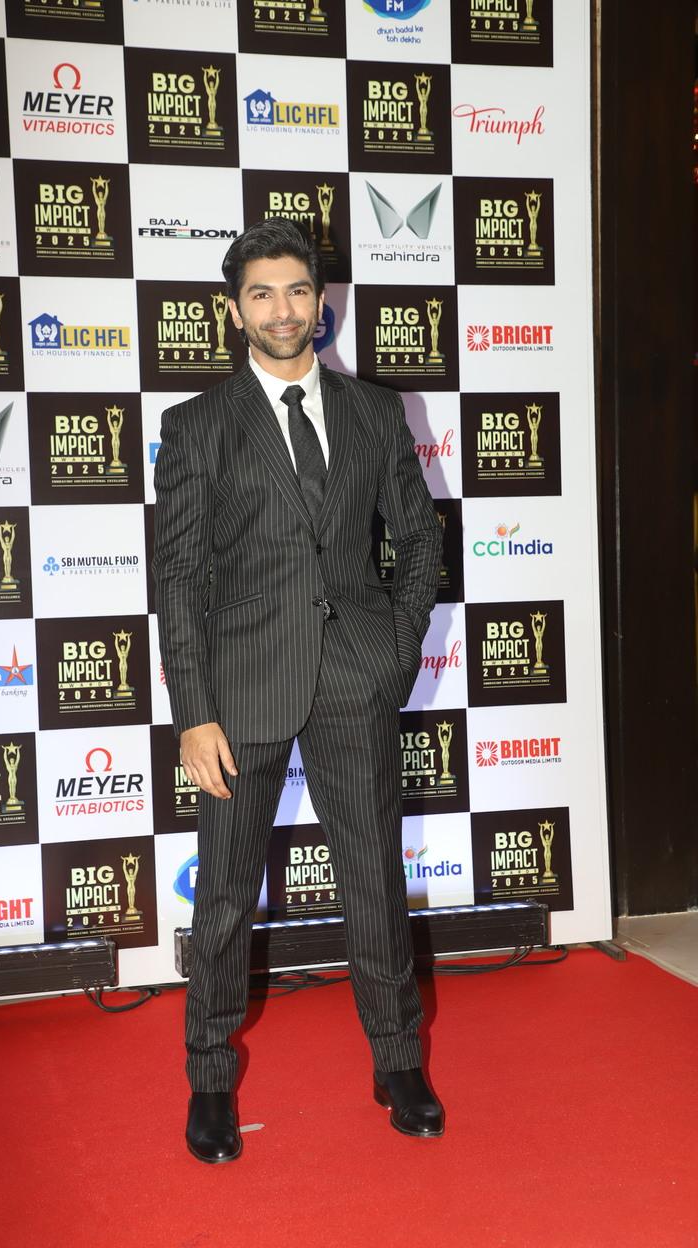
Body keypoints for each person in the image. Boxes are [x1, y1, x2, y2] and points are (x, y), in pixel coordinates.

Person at [152, 218, 444, 1164]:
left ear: (322, 304)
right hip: (239, 690)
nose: (282, 309)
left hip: (356, 677)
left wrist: (395, 651)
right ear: (235, 310)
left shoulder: (375, 412)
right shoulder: (196, 425)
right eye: (262, 293)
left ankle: (398, 1061)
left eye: (297, 291)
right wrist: (193, 712)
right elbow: (178, 578)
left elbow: (419, 539)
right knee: (226, 894)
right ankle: (208, 1077)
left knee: (374, 882)